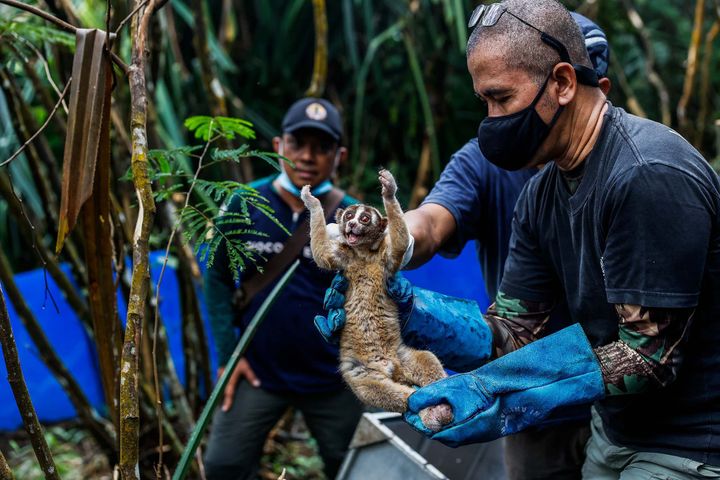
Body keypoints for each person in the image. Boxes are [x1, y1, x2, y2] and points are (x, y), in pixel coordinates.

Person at [320, 1, 720, 478]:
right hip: (613, 435)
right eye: (484, 102)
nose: (491, 120)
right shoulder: (541, 196)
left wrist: (493, 389)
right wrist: (409, 311)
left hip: (691, 443)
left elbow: (647, 357)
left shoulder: (645, 174)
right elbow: (515, 333)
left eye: (501, 99)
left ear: (564, 83)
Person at [203, 98, 363, 480]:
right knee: (223, 465)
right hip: (259, 372)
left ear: (338, 155)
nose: (307, 156)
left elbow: (374, 293)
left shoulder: (354, 217)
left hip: (333, 378)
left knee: (357, 467)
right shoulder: (245, 203)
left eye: (321, 147)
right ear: (278, 147)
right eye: (297, 144)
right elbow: (217, 278)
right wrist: (229, 355)